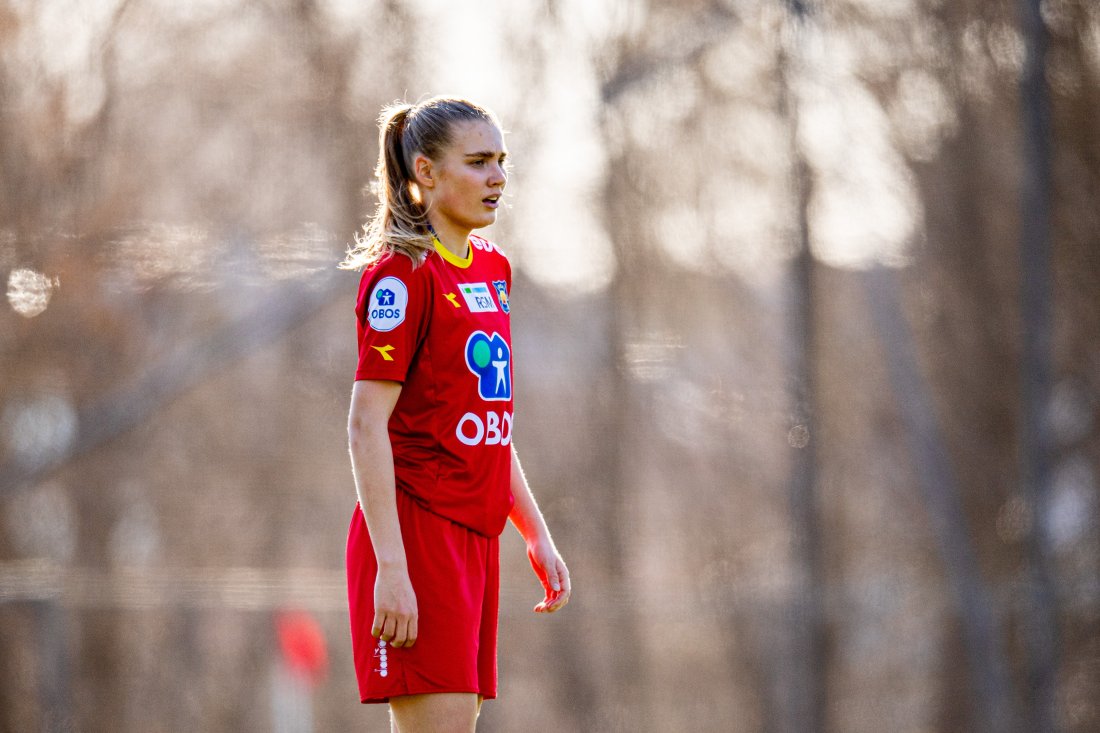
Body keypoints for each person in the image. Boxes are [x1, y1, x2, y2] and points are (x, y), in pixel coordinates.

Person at [339, 96, 571, 733]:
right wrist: (392, 567)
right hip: (417, 536)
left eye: (501, 161)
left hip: (476, 536)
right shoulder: (402, 276)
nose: (497, 177)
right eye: (477, 162)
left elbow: (488, 426)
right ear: (426, 172)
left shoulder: (493, 270)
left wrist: (534, 531)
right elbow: (365, 425)